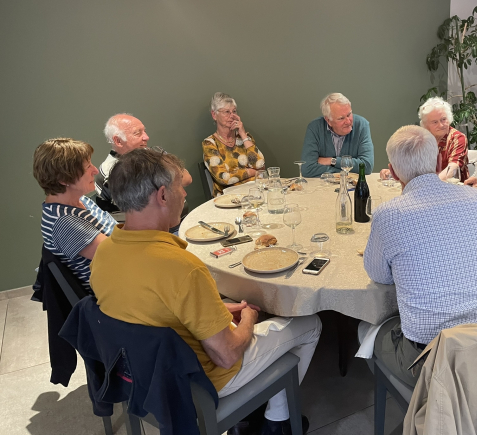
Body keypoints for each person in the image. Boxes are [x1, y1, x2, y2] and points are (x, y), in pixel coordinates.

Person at [90, 148, 321, 435]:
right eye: (179, 188)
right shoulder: (182, 267)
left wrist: (220, 310)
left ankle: (255, 417)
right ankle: (277, 422)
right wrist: (248, 317)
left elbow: (154, 310)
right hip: (201, 382)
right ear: (162, 196)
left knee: (230, 306)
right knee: (310, 323)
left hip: (140, 375)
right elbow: (227, 355)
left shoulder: (105, 253)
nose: (184, 195)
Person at [361, 125, 477, 388]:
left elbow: (379, 275)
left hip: (432, 359)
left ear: (392, 172)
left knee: (365, 329)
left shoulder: (389, 213)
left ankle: (423, 400)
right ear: (439, 160)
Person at [33, 138, 117, 293]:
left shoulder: (80, 200)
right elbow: (116, 256)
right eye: (87, 167)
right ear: (64, 179)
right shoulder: (65, 222)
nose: (95, 170)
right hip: (112, 291)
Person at [96, 113, 192, 212]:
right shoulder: (112, 172)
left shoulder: (152, 152)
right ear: (118, 141)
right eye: (138, 133)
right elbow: (147, 209)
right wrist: (171, 180)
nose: (146, 137)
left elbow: (187, 179)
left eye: (144, 131)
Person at [379, 97, 468, 182]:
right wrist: (396, 173)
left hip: (455, 190)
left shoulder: (458, 138)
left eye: (443, 119)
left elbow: (452, 170)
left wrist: (428, 185)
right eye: (435, 122)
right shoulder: (422, 138)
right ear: (426, 125)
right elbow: (413, 166)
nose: (441, 125)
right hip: (426, 186)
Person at [203, 92, 266, 196]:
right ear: (214, 115)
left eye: (234, 111)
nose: (232, 116)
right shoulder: (209, 144)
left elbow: (260, 166)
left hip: (255, 193)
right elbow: (224, 178)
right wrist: (251, 172)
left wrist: (242, 134)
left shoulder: (246, 139)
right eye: (227, 112)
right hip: (229, 198)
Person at [300, 92, 374, 177]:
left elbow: (367, 166)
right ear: (328, 120)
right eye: (341, 118)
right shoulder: (314, 128)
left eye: (349, 114)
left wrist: (332, 161)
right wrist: (344, 172)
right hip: (323, 186)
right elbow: (307, 169)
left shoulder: (362, 125)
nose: (348, 121)